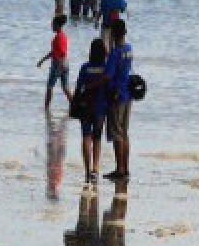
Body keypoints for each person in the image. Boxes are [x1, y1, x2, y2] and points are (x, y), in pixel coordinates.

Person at [73, 38, 109, 182]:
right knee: (97, 138)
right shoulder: (106, 68)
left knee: (86, 137)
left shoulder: (85, 67)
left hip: (86, 106)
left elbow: (78, 87)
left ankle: (87, 170)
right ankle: (95, 169)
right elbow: (109, 86)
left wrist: (74, 102)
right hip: (101, 107)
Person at [104, 20, 133, 180]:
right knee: (124, 132)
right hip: (128, 94)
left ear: (113, 34)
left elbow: (108, 75)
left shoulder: (116, 53)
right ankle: (125, 168)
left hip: (117, 95)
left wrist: (94, 84)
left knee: (116, 133)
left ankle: (120, 169)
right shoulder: (129, 49)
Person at [37, 15, 72, 110]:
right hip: (65, 64)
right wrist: (42, 60)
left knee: (49, 86)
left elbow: (62, 52)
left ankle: (46, 108)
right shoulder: (62, 36)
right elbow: (54, 52)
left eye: (53, 24)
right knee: (65, 88)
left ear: (57, 25)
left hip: (58, 65)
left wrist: (59, 66)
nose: (52, 26)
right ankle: (74, 104)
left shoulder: (59, 37)